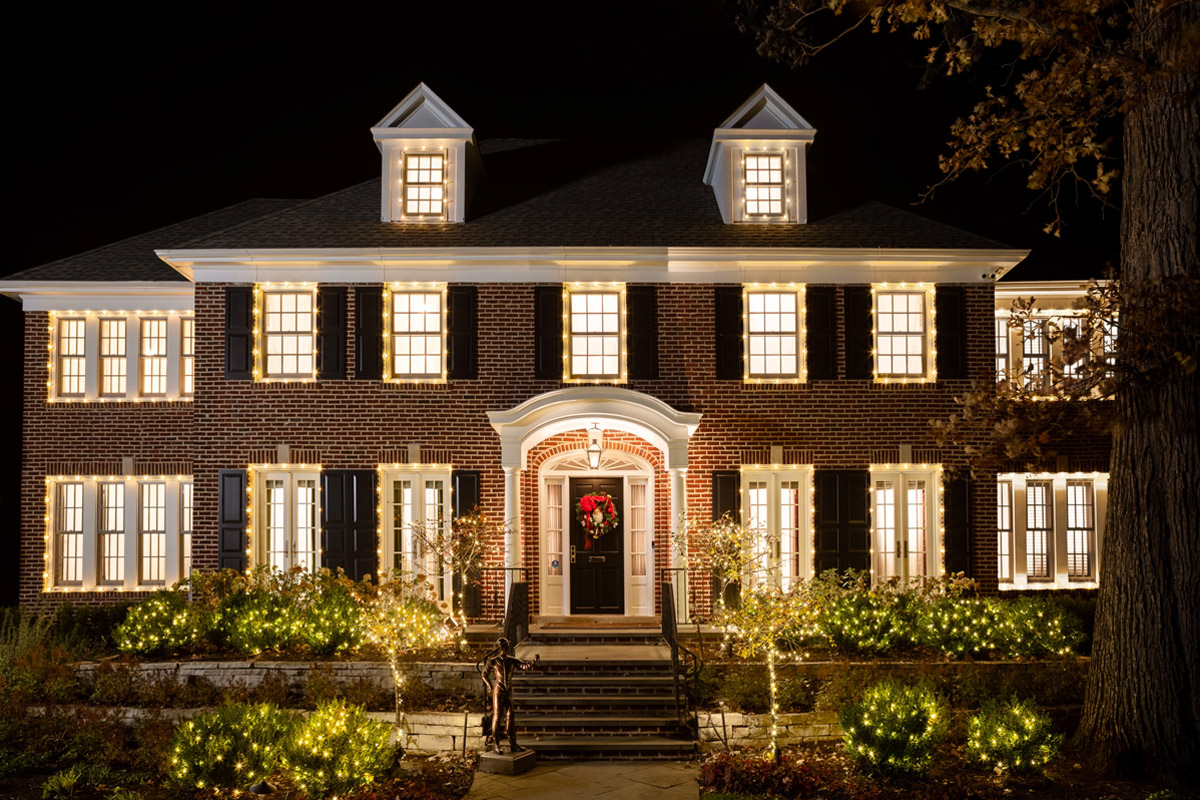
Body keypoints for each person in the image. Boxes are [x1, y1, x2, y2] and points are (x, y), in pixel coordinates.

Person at [478, 637, 539, 753]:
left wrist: (533, 662)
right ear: (501, 647)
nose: (507, 647)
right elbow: (484, 674)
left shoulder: (512, 660)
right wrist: (489, 686)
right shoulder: (493, 661)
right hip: (498, 690)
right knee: (497, 716)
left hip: (508, 691)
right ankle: (496, 744)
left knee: (511, 717)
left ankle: (513, 743)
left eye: (507, 645)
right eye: (506, 645)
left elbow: (524, 666)